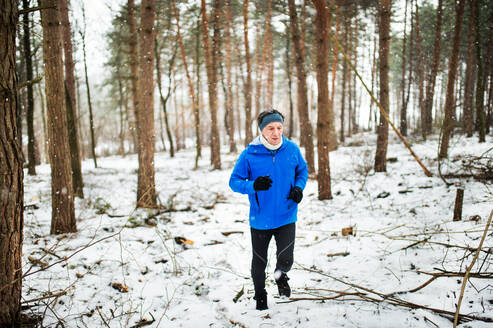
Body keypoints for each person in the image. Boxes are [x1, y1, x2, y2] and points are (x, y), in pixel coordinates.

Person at [229, 109, 309, 310]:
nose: (276, 133)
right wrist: (253, 185)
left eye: (279, 127)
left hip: (287, 215)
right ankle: (260, 296)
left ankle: (281, 276)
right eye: (270, 128)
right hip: (261, 218)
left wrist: (299, 188)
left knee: (286, 258)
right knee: (259, 262)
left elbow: (302, 171)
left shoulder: (291, 149)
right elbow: (234, 181)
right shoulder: (250, 154)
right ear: (261, 131)